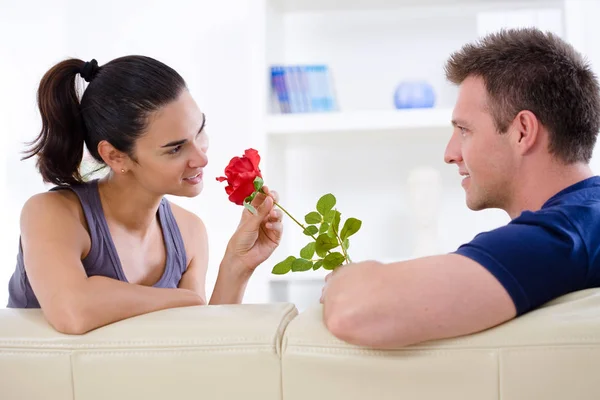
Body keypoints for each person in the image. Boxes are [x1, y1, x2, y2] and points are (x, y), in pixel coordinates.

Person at [320, 27, 600, 349]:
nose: (450, 154)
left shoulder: (562, 234)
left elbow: (354, 312)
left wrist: (344, 281)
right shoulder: (586, 219)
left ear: (522, 131)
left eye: (464, 130)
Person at [6, 56, 283, 335]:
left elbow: (200, 343)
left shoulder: (189, 232)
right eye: (175, 149)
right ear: (114, 156)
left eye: (199, 131)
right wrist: (184, 300)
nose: (201, 158)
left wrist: (237, 265)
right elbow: (73, 313)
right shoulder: (52, 213)